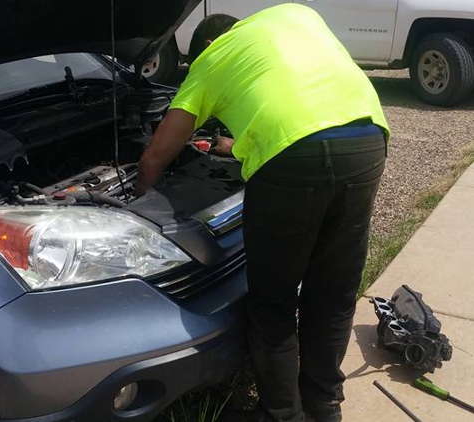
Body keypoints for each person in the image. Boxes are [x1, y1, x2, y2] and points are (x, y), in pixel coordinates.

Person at [136, 4, 390, 422]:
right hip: (366, 137)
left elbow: (155, 158)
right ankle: (323, 406)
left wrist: (141, 192)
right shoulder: (294, 14)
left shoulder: (211, 59)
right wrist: (231, 146)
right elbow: (294, 97)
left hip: (294, 161)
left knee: (273, 300)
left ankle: (280, 414)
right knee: (333, 291)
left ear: (208, 46)